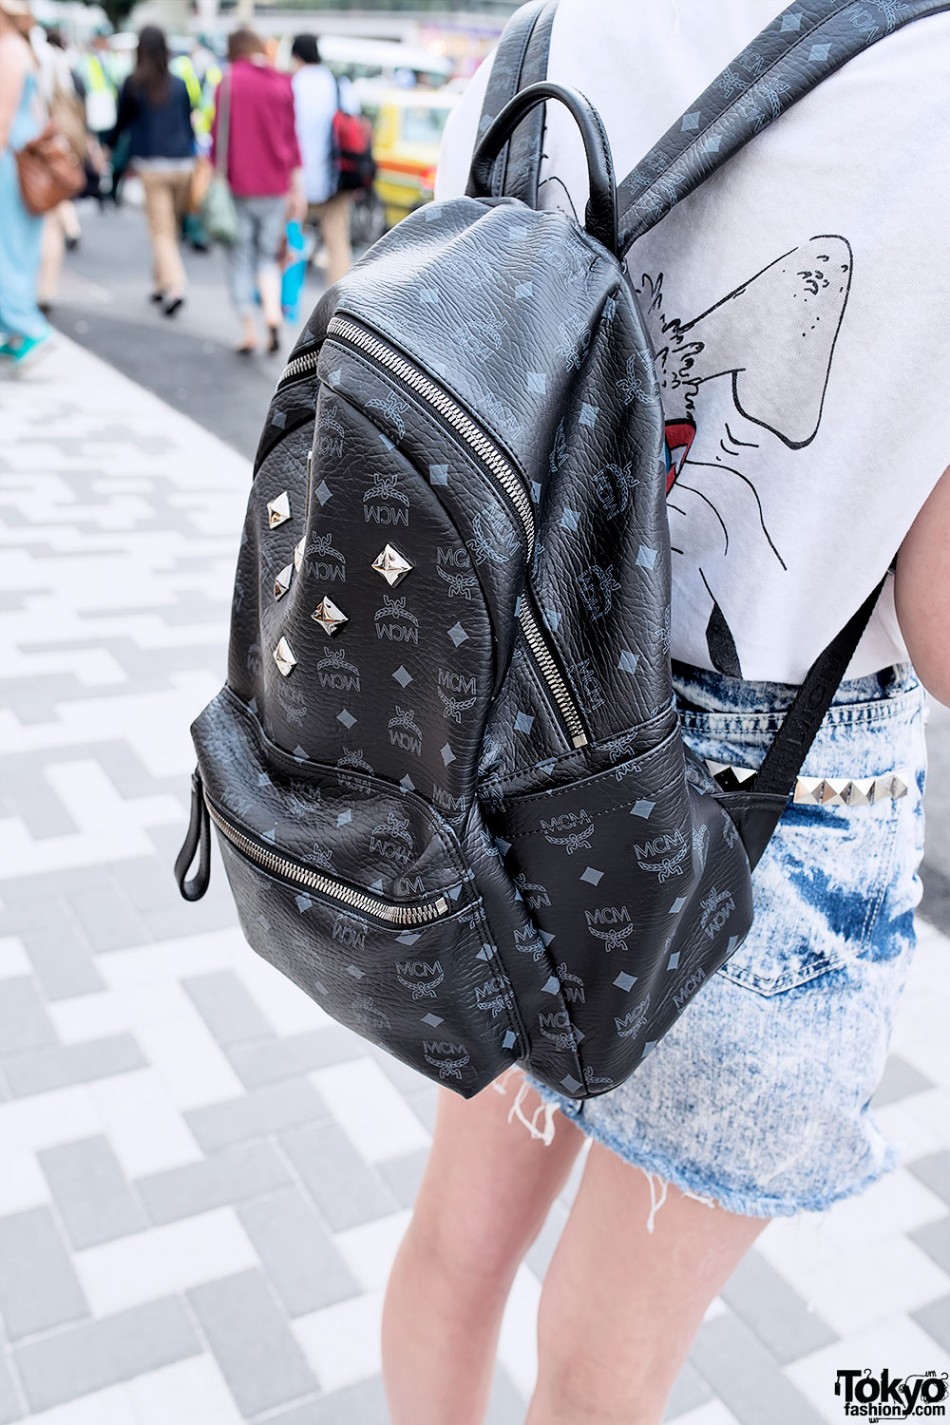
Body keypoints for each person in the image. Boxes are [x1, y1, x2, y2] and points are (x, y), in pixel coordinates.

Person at [380, 2, 950, 1423]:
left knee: (454, 1250)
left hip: (515, 753)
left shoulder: (538, 42)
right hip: (777, 813)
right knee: (606, 1368)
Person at [212, 28, 304, 355]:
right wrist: (297, 189)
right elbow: (292, 141)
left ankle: (248, 328)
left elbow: (216, 136)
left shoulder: (229, 82)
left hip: (239, 184)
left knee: (240, 256)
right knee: (268, 255)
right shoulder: (282, 83)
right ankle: (272, 314)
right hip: (276, 186)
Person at [110, 26, 195, 317]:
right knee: (168, 225)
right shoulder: (180, 84)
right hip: (184, 164)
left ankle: (175, 286)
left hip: (152, 166)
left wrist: (107, 149)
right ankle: (161, 283)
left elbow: (120, 125)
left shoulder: (133, 84)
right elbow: (189, 125)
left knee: (161, 231)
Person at [0, 0, 53, 369]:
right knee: (18, 247)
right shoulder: (24, 49)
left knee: (7, 249)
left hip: (8, 160)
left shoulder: (8, 50)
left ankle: (25, 325)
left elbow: (3, 116)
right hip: (24, 160)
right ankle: (18, 329)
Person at [290, 33, 356, 287]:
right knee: (337, 241)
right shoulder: (339, 85)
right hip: (336, 177)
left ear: (296, 56)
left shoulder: (293, 85)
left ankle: (285, 295)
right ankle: (340, 301)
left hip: (298, 178)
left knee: (291, 235)